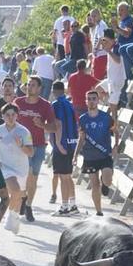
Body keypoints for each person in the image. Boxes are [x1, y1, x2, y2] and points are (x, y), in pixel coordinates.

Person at [0, 102, 34, 231]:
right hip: (5, 167)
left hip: (21, 169)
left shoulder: (24, 131)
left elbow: (31, 153)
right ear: (2, 116)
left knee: (18, 196)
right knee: (15, 190)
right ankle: (10, 217)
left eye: (13, 114)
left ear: (17, 116)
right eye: (7, 115)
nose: (10, 117)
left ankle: (14, 217)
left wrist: (21, 145)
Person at [14, 76, 54, 220]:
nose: (29, 87)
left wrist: (42, 125)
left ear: (39, 88)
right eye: (28, 84)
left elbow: (54, 127)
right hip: (22, 146)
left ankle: (28, 205)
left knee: (33, 179)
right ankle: (23, 197)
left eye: (33, 85)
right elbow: (9, 120)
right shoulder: (18, 102)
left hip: (39, 145)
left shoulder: (45, 105)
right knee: (27, 175)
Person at [76, 86, 118, 215]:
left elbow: (116, 131)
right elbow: (81, 138)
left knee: (107, 180)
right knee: (94, 184)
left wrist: (116, 146)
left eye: (94, 99)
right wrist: (75, 155)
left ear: (98, 100)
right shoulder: (83, 119)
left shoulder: (106, 117)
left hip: (104, 154)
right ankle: (99, 211)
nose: (91, 101)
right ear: (86, 101)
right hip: (90, 156)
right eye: (89, 99)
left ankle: (105, 184)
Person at [49, 77, 80, 215]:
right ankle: (73, 205)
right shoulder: (70, 104)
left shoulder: (55, 104)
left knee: (63, 177)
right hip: (72, 143)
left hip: (61, 145)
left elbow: (58, 124)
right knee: (68, 176)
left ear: (54, 91)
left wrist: (58, 143)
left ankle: (64, 207)